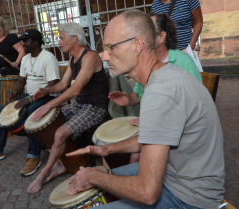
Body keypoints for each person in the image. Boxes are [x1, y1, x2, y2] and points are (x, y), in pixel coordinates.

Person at [66, 9, 225, 209]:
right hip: (177, 177)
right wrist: (109, 149)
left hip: (190, 198)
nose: (105, 56)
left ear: (138, 45)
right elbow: (155, 137)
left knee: (98, 183)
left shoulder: (160, 93)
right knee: (108, 178)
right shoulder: (163, 75)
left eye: (110, 48)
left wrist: (92, 175)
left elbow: (147, 192)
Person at [109, 13, 203, 163]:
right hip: (157, 125)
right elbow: (137, 95)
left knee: (134, 156)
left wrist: (153, 120)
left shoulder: (183, 61)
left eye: (148, 29)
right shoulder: (148, 64)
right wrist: (127, 100)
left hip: (183, 137)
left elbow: (196, 104)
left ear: (161, 37)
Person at [27, 22, 109, 194]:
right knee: (46, 124)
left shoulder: (90, 57)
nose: (59, 42)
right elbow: (64, 84)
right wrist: (47, 91)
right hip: (79, 105)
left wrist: (49, 104)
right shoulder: (73, 58)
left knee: (59, 133)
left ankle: (45, 172)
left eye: (61, 38)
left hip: (94, 108)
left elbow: (76, 88)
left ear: (74, 39)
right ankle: (57, 164)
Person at [0, 29, 60, 177]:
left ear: (35, 41)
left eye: (26, 41)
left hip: (47, 97)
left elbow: (53, 85)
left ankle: (33, 157)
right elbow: (21, 80)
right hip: (30, 95)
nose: (23, 44)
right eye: (22, 41)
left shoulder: (48, 58)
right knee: (3, 111)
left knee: (30, 114)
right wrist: (15, 92)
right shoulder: (26, 59)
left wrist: (29, 99)